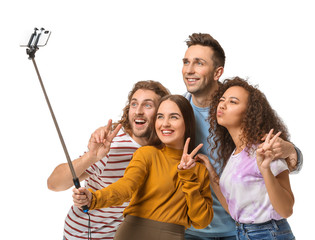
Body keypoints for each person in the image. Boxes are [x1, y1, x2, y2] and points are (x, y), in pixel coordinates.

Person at [182, 33, 302, 239]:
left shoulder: (241, 109)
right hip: (196, 229)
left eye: (199, 63)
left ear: (217, 72)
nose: (189, 70)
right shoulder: (176, 112)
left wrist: (292, 152)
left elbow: (279, 156)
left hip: (240, 229)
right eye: (186, 62)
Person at [72, 95, 214, 240]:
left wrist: (188, 177)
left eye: (174, 117)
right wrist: (93, 198)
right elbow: (125, 187)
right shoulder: (147, 154)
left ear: (187, 123)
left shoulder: (199, 171)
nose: (165, 123)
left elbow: (202, 221)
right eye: (160, 117)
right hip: (131, 234)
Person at [47, 80, 170, 240]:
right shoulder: (114, 144)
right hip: (84, 235)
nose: (138, 111)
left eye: (147, 105)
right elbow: (54, 184)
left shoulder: (163, 148)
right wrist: (90, 157)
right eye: (134, 104)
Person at [197, 77, 295, 239]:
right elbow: (234, 210)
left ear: (250, 113)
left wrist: (265, 170)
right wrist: (210, 173)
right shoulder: (236, 155)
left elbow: (286, 210)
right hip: (242, 232)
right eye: (222, 100)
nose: (222, 105)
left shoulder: (265, 150)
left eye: (233, 102)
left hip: (269, 233)